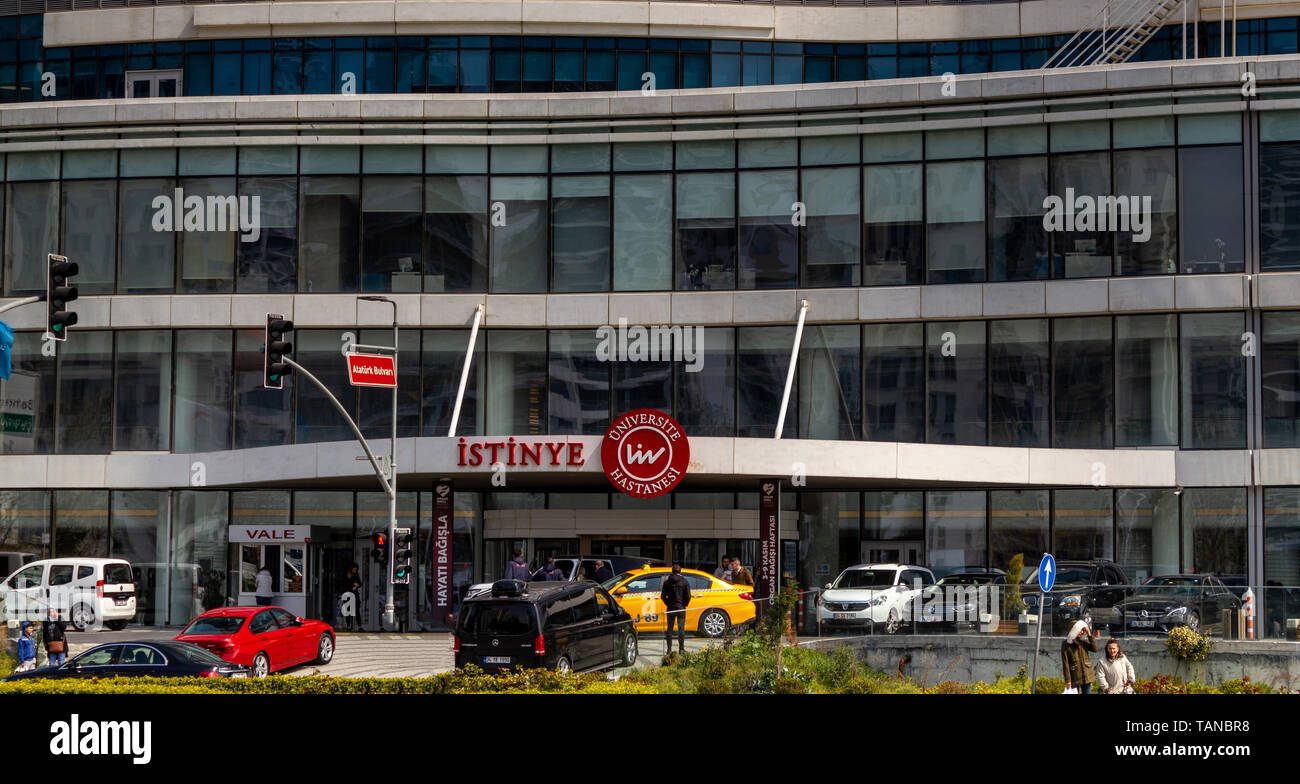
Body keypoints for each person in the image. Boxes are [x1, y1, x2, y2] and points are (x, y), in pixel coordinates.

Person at [661, 565, 692, 654]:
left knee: (669, 629)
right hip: (681, 608)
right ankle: (681, 649)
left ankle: (669, 649)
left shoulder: (667, 582)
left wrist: (668, 603)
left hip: (670, 608)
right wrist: (684, 604)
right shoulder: (684, 582)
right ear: (680, 571)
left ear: (672, 571)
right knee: (681, 629)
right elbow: (688, 596)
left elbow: (663, 596)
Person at [1061, 619, 1098, 694]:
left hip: (1086, 676)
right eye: (1080, 630)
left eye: (1083, 630)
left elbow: (1095, 649)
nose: (1082, 632)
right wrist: (1068, 680)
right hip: (1074, 676)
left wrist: (1089, 634)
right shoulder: (1066, 644)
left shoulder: (1083, 641)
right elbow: (1065, 663)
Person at [338, 563, 361, 631]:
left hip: (355, 595)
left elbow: (360, 583)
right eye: (354, 570)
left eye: (356, 570)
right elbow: (344, 585)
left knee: (356, 611)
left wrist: (357, 585)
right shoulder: (346, 576)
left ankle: (359, 626)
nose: (355, 571)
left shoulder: (356, 575)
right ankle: (349, 626)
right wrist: (352, 586)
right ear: (351, 569)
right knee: (348, 611)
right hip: (348, 595)